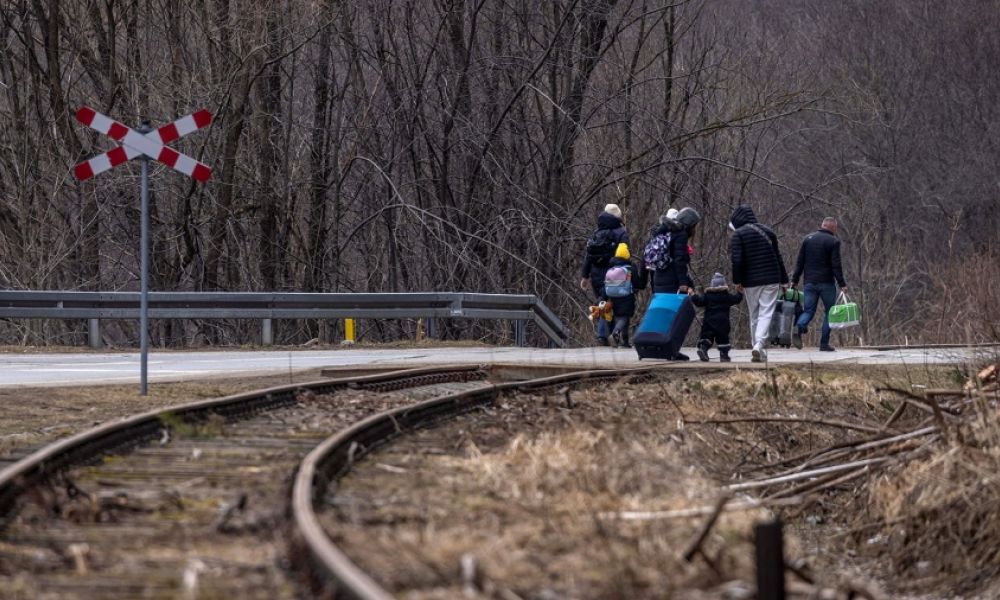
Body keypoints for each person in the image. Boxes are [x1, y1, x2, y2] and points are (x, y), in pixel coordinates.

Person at [729, 205, 789, 362]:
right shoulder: (768, 232)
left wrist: (737, 281)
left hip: (750, 281)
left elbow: (737, 260)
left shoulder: (738, 235)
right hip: (772, 278)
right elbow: (778, 257)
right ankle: (759, 346)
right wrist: (784, 281)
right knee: (766, 312)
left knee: (754, 314)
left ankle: (757, 345)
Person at [790, 217, 847, 351]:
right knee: (829, 312)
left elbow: (800, 262)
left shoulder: (807, 239)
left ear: (822, 225)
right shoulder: (833, 241)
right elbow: (836, 265)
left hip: (809, 282)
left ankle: (799, 326)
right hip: (827, 283)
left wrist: (795, 280)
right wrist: (842, 283)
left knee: (808, 310)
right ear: (833, 227)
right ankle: (824, 344)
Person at [580, 203, 629, 345]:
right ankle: (609, 335)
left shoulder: (597, 232)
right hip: (615, 274)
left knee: (603, 302)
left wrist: (585, 276)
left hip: (596, 275)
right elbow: (625, 255)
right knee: (614, 303)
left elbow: (588, 256)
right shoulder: (621, 232)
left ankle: (604, 336)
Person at [599, 243, 647, 348]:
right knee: (624, 317)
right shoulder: (630, 268)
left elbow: (605, 285)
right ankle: (615, 333)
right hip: (626, 297)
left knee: (620, 317)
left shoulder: (611, 268)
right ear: (627, 255)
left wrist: (603, 299)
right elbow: (638, 284)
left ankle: (625, 342)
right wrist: (644, 274)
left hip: (613, 297)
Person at [647, 207, 701, 294]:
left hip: (658, 278)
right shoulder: (680, 235)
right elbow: (679, 260)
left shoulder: (665, 231)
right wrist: (683, 283)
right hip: (672, 281)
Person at [691, 272, 743, 362]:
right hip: (722, 322)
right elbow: (736, 299)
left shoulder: (707, 296)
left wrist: (693, 295)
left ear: (712, 285)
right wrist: (740, 293)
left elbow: (699, 302)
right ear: (723, 284)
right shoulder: (726, 296)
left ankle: (703, 349)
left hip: (709, 322)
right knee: (723, 339)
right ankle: (724, 355)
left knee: (707, 337)